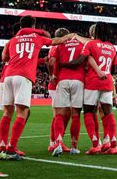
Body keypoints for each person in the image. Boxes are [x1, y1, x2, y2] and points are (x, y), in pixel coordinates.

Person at [0, 15, 74, 161]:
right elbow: (56, 40)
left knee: (7, 112)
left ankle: (2, 148)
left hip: (7, 76)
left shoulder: (12, 40)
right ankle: (11, 149)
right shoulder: (36, 37)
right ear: (33, 25)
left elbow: (4, 58)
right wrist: (70, 36)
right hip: (23, 77)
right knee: (23, 112)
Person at [62, 22, 117, 155]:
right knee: (108, 114)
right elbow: (114, 69)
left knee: (88, 112)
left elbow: (79, 61)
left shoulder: (91, 44)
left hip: (93, 82)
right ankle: (113, 145)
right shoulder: (111, 47)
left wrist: (63, 64)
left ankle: (95, 145)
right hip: (107, 81)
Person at [50, 28, 86, 156]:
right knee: (75, 114)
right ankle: (74, 146)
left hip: (63, 80)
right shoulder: (82, 43)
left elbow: (52, 61)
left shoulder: (60, 44)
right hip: (78, 80)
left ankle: (58, 143)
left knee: (59, 113)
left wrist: (53, 75)